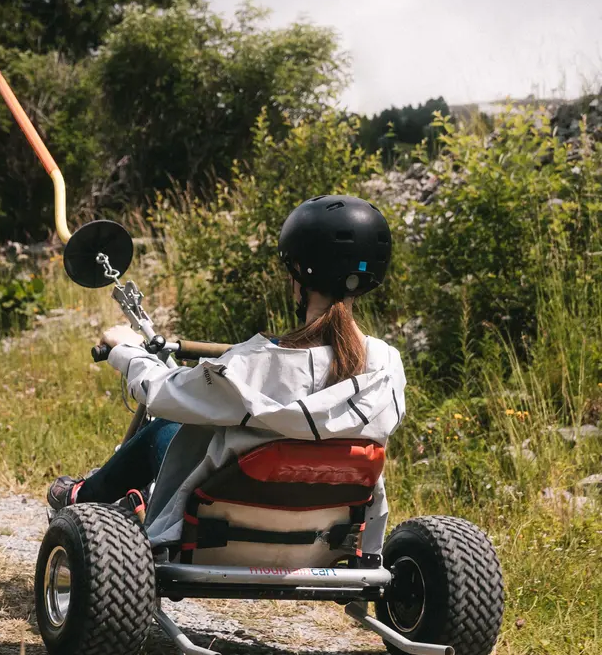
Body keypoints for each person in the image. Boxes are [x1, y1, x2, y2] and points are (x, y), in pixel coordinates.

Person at [46, 195, 406, 556]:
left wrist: (126, 351)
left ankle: (84, 496)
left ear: (297, 272)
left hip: (222, 532)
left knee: (165, 427)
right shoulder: (387, 366)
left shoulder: (256, 362)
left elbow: (160, 392)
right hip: (330, 539)